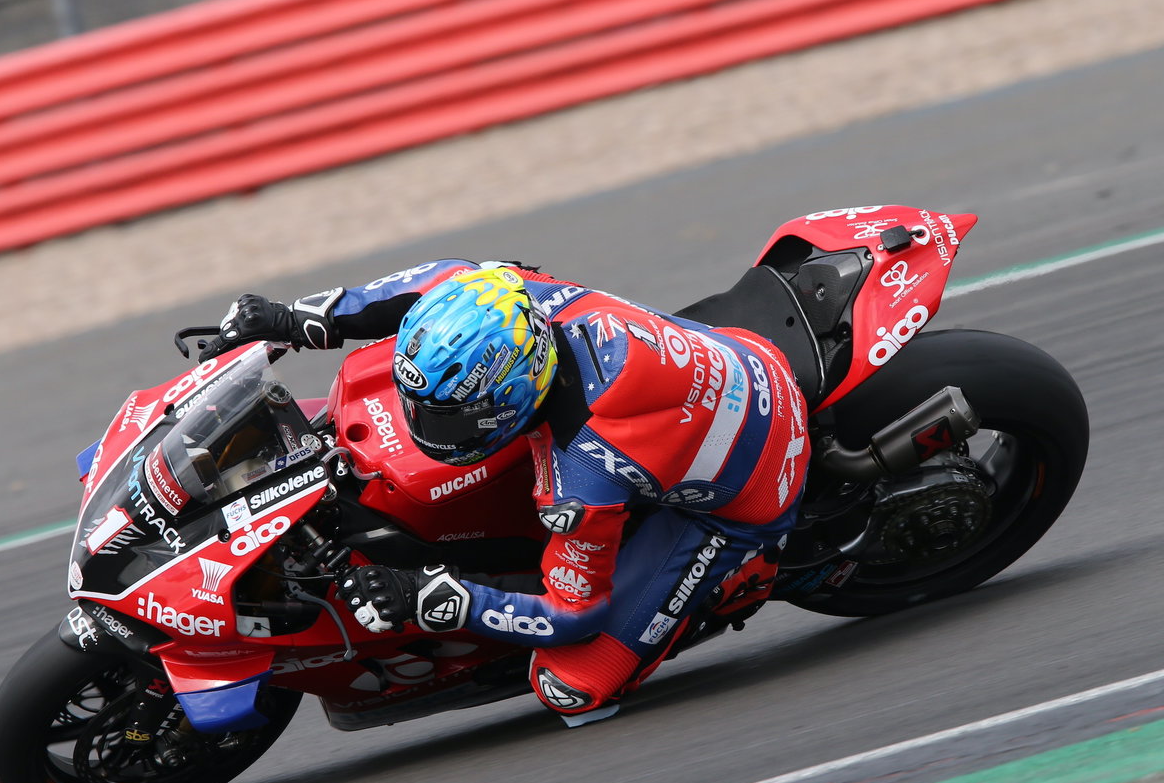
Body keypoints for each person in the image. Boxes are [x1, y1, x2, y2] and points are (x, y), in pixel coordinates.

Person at [201, 259, 808, 726]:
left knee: (572, 687)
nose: (423, 425)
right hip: (725, 357)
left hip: (751, 483)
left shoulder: (586, 474)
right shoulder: (501, 293)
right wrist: (292, 320)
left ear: (513, 394)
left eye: (451, 417)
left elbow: (572, 614)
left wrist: (432, 596)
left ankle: (737, 576)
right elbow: (416, 289)